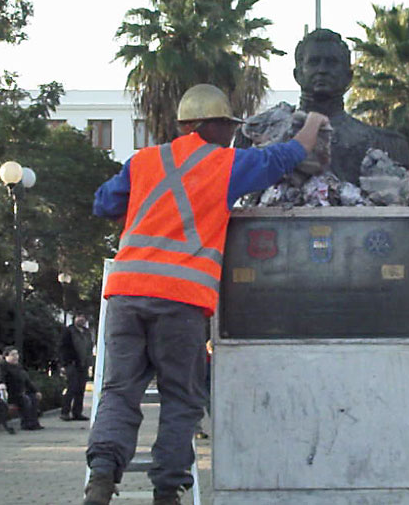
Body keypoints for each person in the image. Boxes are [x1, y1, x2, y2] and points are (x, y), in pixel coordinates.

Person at [84, 83, 328, 505]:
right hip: (180, 299)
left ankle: (102, 477)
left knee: (119, 391)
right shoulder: (224, 164)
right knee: (181, 395)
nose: (232, 135)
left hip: (125, 294)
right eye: (228, 127)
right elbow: (284, 157)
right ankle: (167, 490)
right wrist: (313, 125)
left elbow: (104, 203)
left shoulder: (144, 161)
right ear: (212, 127)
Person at [292, 28, 409, 185]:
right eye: (314, 62)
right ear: (298, 74)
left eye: (331, 63)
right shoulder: (265, 143)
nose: (322, 70)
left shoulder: (386, 144)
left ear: (348, 76)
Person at [0, 346, 43, 431]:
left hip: (19, 393)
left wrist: (36, 391)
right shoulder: (1, 365)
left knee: (33, 397)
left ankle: (33, 423)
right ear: (6, 356)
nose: (16, 356)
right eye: (13, 355)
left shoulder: (18, 367)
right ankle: (26, 423)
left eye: (16, 354)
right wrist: (0, 384)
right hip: (8, 395)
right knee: (25, 399)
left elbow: (27, 381)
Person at [59, 313, 94, 421]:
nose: (81, 319)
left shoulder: (87, 333)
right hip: (72, 363)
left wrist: (90, 362)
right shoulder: (68, 331)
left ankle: (77, 412)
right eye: (79, 316)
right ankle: (65, 412)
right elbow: (63, 348)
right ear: (75, 318)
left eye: (83, 317)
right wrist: (64, 363)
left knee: (80, 389)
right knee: (72, 387)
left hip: (83, 364)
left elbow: (89, 348)